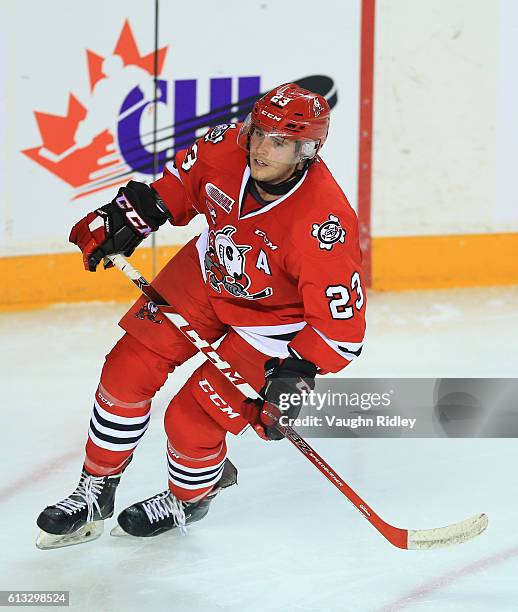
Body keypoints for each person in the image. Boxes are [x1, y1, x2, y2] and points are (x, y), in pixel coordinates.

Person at [36, 83, 366, 549]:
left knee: (191, 421)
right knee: (126, 370)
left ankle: (190, 495)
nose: (260, 148)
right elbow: (172, 192)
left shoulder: (323, 225)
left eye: (278, 142)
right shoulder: (221, 146)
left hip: (272, 322)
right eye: (259, 133)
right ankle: (96, 489)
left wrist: (295, 375)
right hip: (209, 275)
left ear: (306, 152)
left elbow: (342, 331)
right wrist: (122, 219)